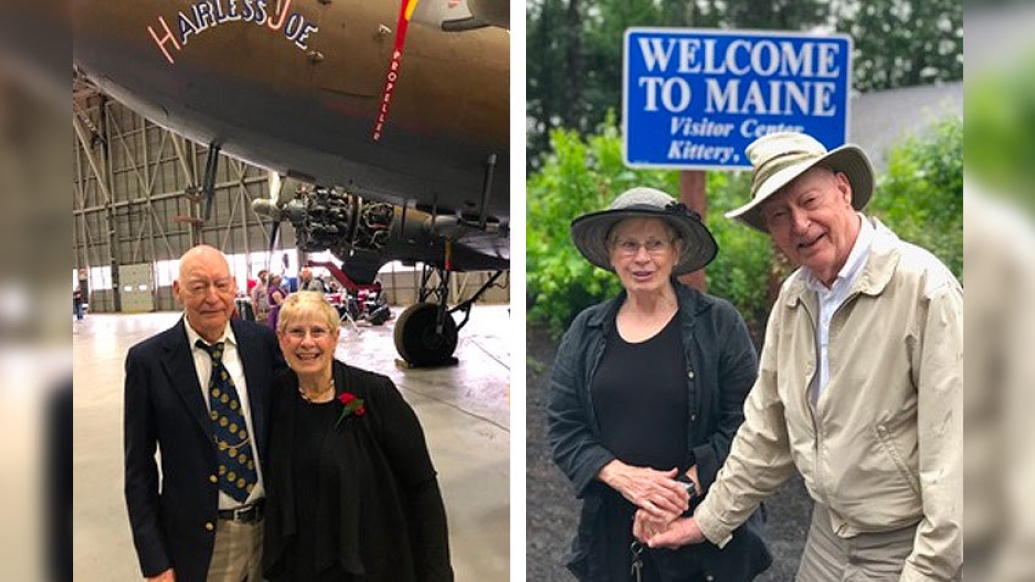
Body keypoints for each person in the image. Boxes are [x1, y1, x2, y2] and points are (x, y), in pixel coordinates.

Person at [636, 132, 963, 581]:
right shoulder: (796, 297)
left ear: (844, 190)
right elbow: (767, 431)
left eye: (810, 201)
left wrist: (930, 570)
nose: (800, 224)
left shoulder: (925, 289)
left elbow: (959, 459)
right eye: (779, 216)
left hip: (905, 544)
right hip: (828, 536)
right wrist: (707, 522)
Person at [547, 187, 771, 581]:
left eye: (655, 244)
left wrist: (677, 492)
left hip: (705, 524)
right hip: (614, 529)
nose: (642, 258)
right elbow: (565, 427)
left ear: (677, 251)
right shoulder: (587, 329)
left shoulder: (719, 323)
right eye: (628, 244)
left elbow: (746, 425)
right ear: (611, 252)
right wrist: (622, 477)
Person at [263, 291, 453, 581]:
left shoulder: (376, 394)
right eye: (296, 332)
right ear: (281, 339)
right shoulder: (276, 396)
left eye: (318, 331)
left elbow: (422, 487)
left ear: (335, 338)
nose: (307, 343)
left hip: (371, 565)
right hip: (301, 567)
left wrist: (437, 574)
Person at [124, 245, 285, 582]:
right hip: (205, 542)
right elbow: (139, 468)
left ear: (234, 286)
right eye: (198, 287)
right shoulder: (149, 362)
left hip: (271, 532)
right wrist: (155, 561)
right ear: (178, 291)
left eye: (221, 284)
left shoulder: (262, 344)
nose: (212, 297)